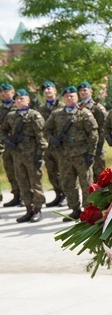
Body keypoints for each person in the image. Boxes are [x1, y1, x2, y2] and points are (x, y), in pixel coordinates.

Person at [44, 86, 99, 221]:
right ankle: (75, 209)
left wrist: (91, 154)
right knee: (68, 183)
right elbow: (46, 130)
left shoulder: (84, 113)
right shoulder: (56, 114)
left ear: (77, 97)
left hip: (82, 155)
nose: (69, 98)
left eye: (72, 96)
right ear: (63, 98)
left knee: (86, 183)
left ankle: (88, 210)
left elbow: (93, 134)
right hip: (64, 155)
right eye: (67, 96)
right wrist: (52, 140)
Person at [0, 89, 47, 222]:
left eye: (22, 98)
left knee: (35, 183)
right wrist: (6, 140)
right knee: (22, 182)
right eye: (17, 99)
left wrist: (39, 156)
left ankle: (37, 210)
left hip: (32, 155)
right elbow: (2, 131)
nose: (19, 101)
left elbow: (41, 138)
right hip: (17, 155)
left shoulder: (34, 115)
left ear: (28, 100)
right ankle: (28, 209)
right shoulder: (11, 116)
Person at [38, 81, 66, 207]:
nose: (47, 90)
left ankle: (66, 195)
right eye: (45, 89)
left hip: (61, 145)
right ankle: (57, 194)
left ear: (55, 91)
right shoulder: (41, 108)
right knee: (51, 171)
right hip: (48, 145)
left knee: (63, 170)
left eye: (50, 88)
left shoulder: (62, 106)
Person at [77, 81, 108, 177]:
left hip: (96, 146)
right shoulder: (77, 108)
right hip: (81, 147)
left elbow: (103, 128)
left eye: (85, 90)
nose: (83, 92)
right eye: (81, 90)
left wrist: (99, 145)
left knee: (99, 175)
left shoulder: (97, 108)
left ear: (91, 92)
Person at [1, 82, 23, 207]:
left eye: (6, 91)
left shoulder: (19, 106)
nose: (4, 94)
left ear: (13, 92)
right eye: (2, 92)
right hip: (6, 144)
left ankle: (26, 196)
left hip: (20, 145)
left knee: (21, 171)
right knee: (10, 170)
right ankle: (16, 195)